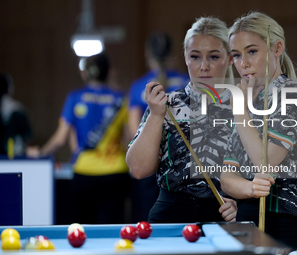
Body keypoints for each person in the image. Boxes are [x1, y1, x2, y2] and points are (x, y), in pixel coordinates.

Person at [220, 12, 297, 254]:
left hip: (290, 225)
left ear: (277, 49)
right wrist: (250, 190)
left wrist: (240, 112)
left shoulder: (295, 95)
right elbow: (227, 177)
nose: (242, 63)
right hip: (247, 224)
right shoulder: (246, 101)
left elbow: (264, 162)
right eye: (236, 54)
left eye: (252, 51)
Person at [126, 17, 237, 223]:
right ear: (185, 57)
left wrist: (242, 204)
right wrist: (156, 115)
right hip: (171, 214)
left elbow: (261, 174)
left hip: (225, 215)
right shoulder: (166, 104)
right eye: (195, 57)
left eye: (213, 57)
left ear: (230, 58)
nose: (204, 66)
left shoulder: (245, 107)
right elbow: (138, 169)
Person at [27, 52, 130, 224]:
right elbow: (128, 141)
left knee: (83, 232)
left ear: (85, 73)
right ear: (110, 71)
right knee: (113, 233)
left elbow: (60, 140)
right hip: (115, 174)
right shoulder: (121, 99)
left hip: (84, 173)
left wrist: (40, 152)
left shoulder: (74, 98)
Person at [128, 32, 189, 222]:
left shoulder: (139, 86)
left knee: (147, 222)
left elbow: (133, 132)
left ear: (148, 54)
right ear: (174, 53)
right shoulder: (188, 82)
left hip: (149, 163)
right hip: (181, 166)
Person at [0, 73, 33, 157]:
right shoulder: (18, 109)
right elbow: (28, 136)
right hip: (15, 159)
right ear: (10, 89)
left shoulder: (17, 110)